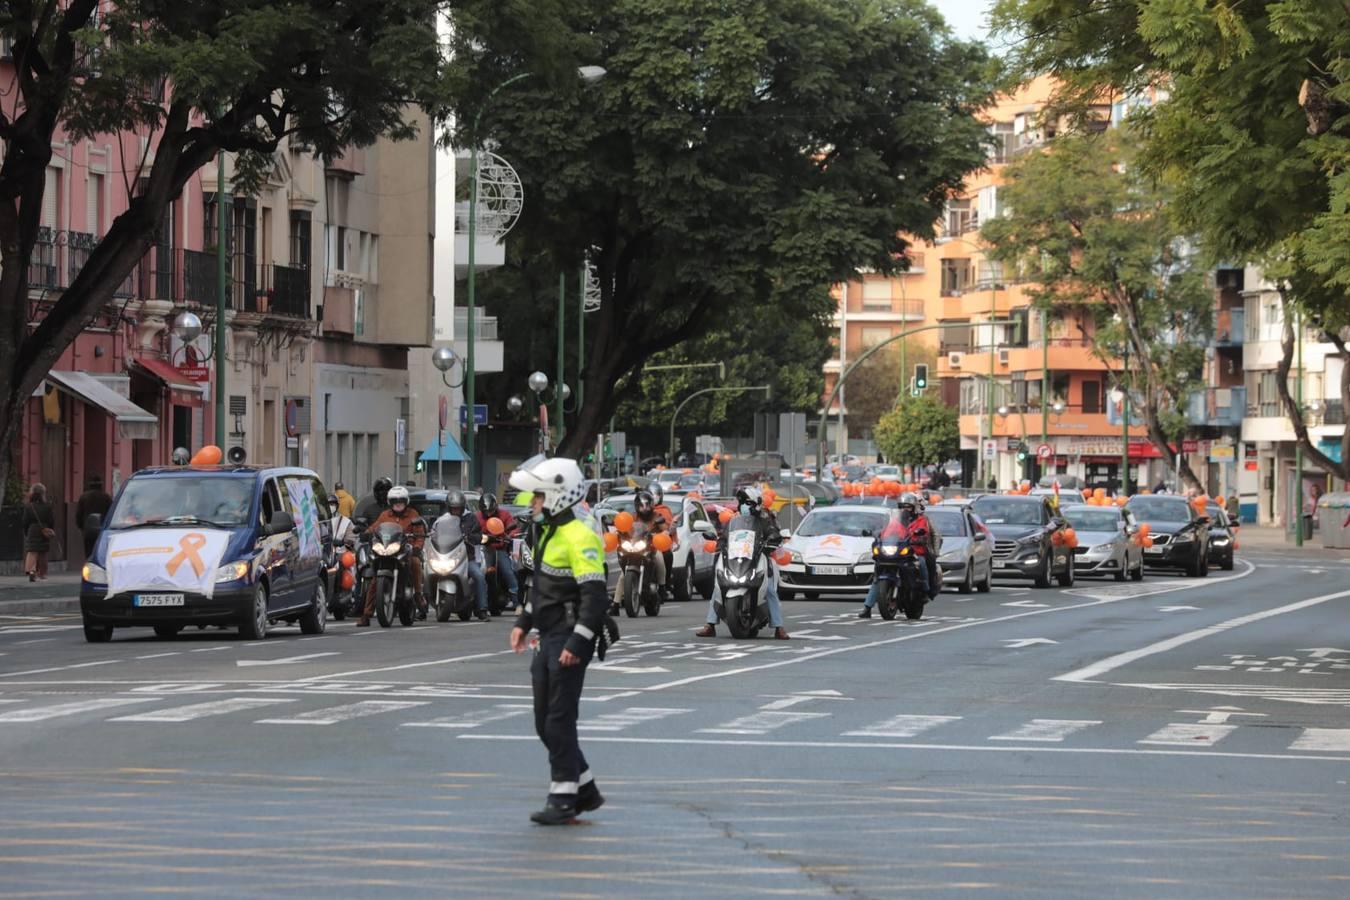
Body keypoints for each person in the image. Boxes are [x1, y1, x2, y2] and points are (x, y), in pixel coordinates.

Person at [506, 455, 609, 824]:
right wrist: (523, 621)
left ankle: (563, 798)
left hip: (568, 639)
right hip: (546, 637)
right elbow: (543, 590)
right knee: (543, 720)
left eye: (536, 497)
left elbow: (594, 597)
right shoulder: (548, 534)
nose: (531, 504)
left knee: (559, 720)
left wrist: (578, 644)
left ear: (555, 496)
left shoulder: (581, 536)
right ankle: (586, 789)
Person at [696, 485, 790, 640]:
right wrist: (719, 543)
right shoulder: (734, 521)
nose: (745, 506)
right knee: (717, 587)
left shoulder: (765, 519)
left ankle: (778, 627)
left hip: (758, 557)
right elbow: (725, 537)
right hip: (737, 558)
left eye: (748, 502)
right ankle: (710, 625)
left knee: (770, 591)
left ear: (756, 504)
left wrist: (774, 538)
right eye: (742, 502)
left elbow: (773, 532)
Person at [858, 493, 941, 617]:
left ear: (914, 508)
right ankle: (867, 608)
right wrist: (879, 536)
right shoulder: (895, 520)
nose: (905, 509)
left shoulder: (921, 520)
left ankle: (926, 588)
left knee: (922, 563)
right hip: (896, 551)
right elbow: (887, 531)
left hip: (914, 551)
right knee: (877, 577)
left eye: (907, 507)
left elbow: (925, 532)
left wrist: (920, 537)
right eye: (902, 507)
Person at [358, 485, 426, 626]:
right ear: (390, 502)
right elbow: (375, 527)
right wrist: (366, 532)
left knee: (415, 562)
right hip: (387, 549)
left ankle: (418, 595)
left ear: (406, 501)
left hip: (406, 549)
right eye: (395, 501)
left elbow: (420, 534)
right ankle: (366, 615)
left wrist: (417, 547)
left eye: (401, 501)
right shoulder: (385, 515)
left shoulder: (413, 514)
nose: (398, 504)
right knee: (375, 580)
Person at [612, 490, 669, 614]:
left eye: (647, 505)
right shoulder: (632, 517)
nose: (644, 508)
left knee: (659, 559)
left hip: (651, 547)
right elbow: (624, 528)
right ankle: (615, 604)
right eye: (641, 506)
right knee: (623, 576)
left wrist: (663, 532)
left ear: (652, 505)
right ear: (636, 506)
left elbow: (665, 529)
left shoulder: (657, 516)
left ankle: (663, 588)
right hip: (634, 547)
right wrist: (620, 533)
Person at [446, 489, 489, 620]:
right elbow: (435, 532)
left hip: (466, 558)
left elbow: (478, 536)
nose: (455, 511)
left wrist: (469, 537)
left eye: (457, 509)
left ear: (462, 507)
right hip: (448, 557)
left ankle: (482, 609)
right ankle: (422, 608)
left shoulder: (471, 518)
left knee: (479, 576)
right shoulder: (444, 519)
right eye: (453, 509)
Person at [477, 492, 519, 613]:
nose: (489, 514)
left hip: (500, 549)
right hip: (483, 550)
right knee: (478, 573)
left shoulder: (505, 515)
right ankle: (478, 603)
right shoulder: (477, 517)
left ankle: (517, 602)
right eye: (486, 511)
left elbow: (514, 528)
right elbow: (471, 529)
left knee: (508, 572)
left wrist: (509, 536)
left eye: (491, 511)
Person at [22, 484, 57, 582]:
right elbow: (51, 521)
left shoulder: (29, 506)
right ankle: (43, 574)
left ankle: (31, 571)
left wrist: (26, 531)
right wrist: (49, 529)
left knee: (32, 552)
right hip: (44, 530)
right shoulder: (48, 506)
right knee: (43, 552)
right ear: (43, 494)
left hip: (32, 530)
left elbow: (25, 521)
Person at [649, 483, 677, 598]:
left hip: (659, 542)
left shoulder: (664, 510)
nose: (654, 498)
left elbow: (668, 526)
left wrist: (669, 529)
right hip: (643, 542)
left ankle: (665, 583)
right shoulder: (640, 510)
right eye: (651, 495)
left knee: (667, 555)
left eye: (657, 495)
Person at [75, 476, 112, 559]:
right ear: (101, 485)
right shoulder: (106, 497)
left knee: (89, 552)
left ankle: (89, 567)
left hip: (88, 530)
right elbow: (111, 514)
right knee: (101, 551)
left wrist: (81, 527)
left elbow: (79, 514)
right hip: (102, 530)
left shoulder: (84, 497)